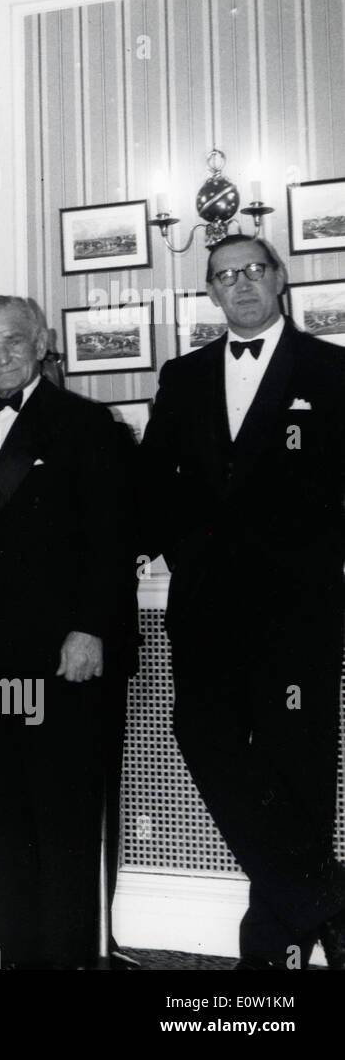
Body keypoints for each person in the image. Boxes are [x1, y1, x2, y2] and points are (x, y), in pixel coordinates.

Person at [139, 234, 345, 970]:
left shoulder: (331, 369)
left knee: (296, 773)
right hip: (204, 608)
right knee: (203, 735)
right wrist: (179, 547)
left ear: (279, 278)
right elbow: (155, 480)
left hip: (300, 615)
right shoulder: (185, 374)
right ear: (211, 293)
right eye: (225, 276)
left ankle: (274, 952)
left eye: (254, 270)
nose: (242, 285)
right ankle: (323, 896)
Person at [0, 295, 138, 970]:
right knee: (4, 810)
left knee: (66, 814)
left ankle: (73, 956)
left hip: (65, 657)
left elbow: (111, 543)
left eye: (12, 341)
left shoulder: (87, 424)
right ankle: (15, 951)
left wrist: (88, 630)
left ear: (43, 341)